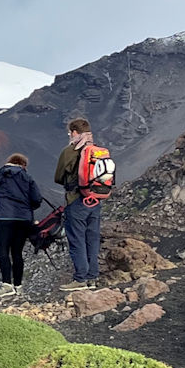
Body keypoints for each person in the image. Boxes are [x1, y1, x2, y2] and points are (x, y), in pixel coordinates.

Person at [0, 153, 44, 298]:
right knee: (17, 253)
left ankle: (7, 285)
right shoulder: (28, 178)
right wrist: (28, 209)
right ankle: (18, 286)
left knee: (3, 252)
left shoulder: (2, 174)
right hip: (24, 220)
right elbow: (37, 199)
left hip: (5, 218)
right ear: (23, 165)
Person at [54, 118, 101, 291]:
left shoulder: (70, 151)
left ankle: (80, 279)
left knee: (77, 239)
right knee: (92, 239)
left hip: (76, 201)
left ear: (74, 132)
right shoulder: (97, 151)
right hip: (95, 200)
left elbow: (58, 177)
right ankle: (92, 278)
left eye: (70, 133)